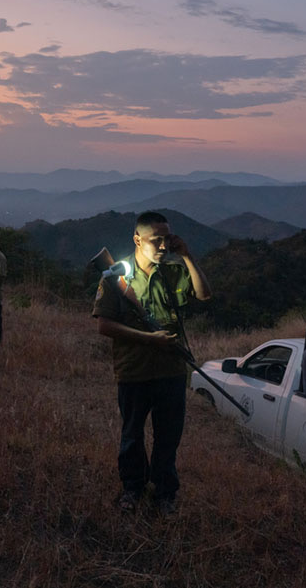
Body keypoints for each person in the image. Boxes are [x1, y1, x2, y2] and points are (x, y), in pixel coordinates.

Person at [92, 211, 212, 514]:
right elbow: (104, 325)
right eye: (155, 240)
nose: (162, 246)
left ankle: (164, 493)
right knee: (132, 435)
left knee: (168, 437)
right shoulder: (116, 276)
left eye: (166, 239)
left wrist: (186, 255)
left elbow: (204, 294)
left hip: (171, 370)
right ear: (137, 240)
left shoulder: (173, 271)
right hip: (134, 371)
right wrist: (149, 339)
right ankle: (132, 488)